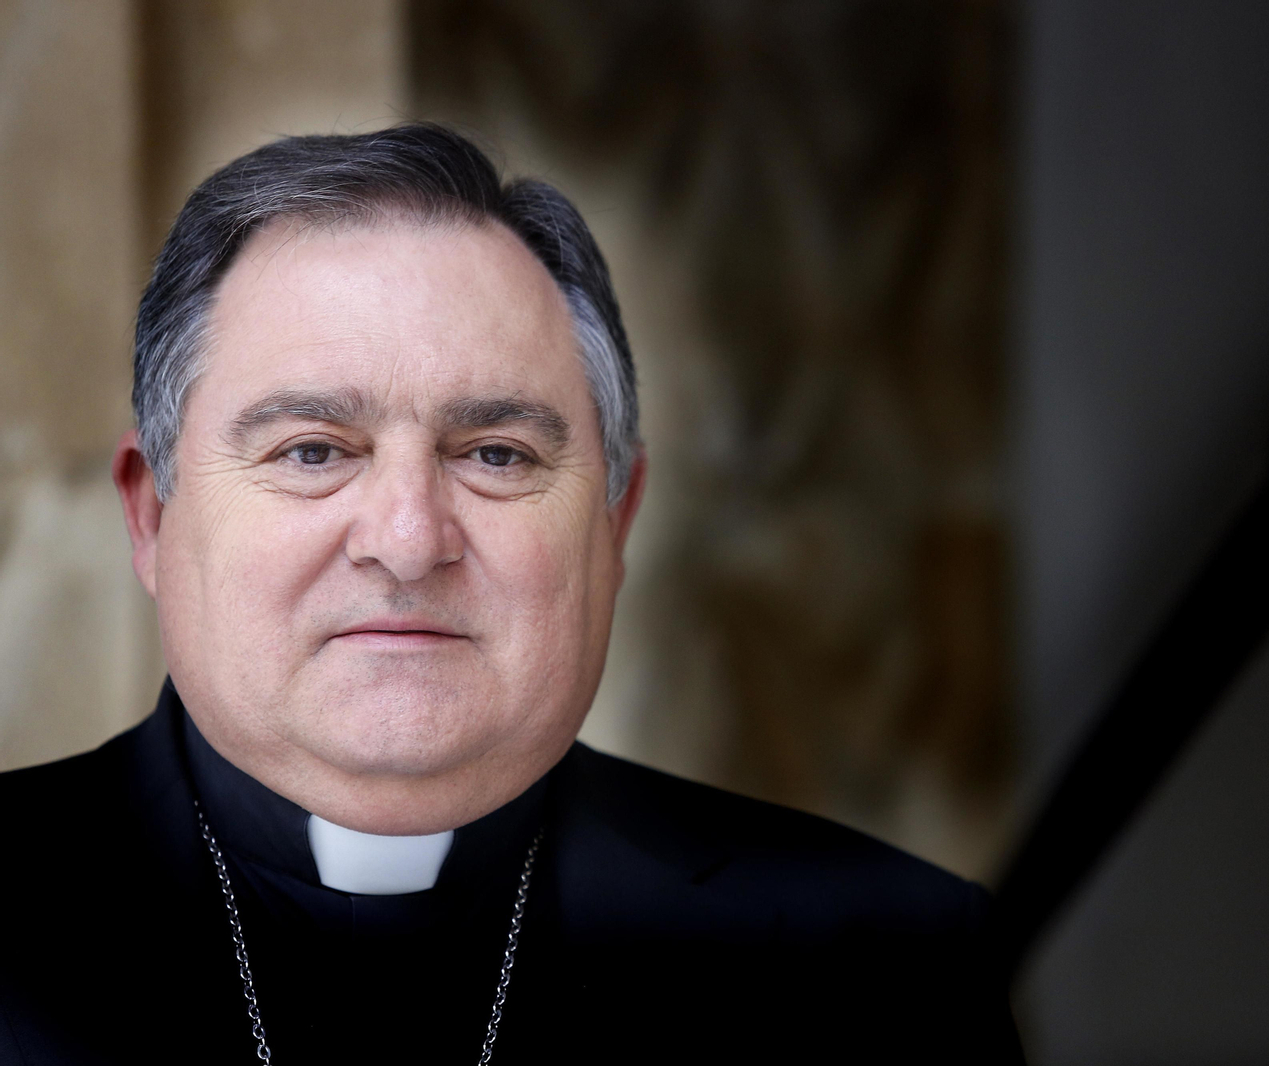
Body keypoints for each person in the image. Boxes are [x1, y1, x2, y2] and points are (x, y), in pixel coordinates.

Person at [0, 125, 1021, 1064]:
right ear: (152, 514)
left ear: (613, 522)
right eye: (312, 450)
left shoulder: (887, 967)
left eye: (495, 453)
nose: (407, 541)